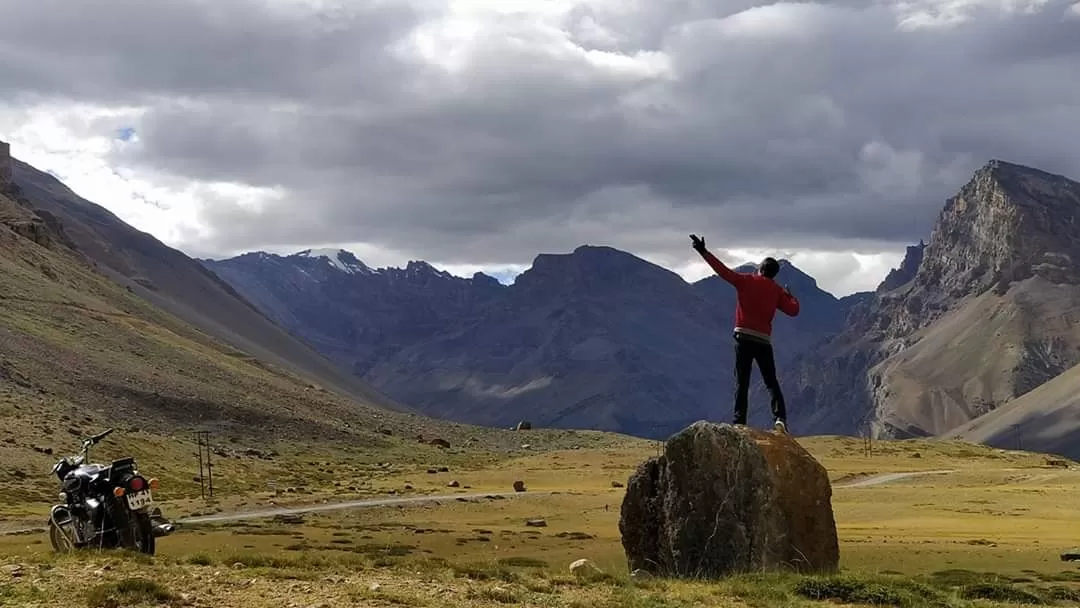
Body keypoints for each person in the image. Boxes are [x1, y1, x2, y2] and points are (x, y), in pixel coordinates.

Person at [689, 234, 800, 433]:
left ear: (760, 269)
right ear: (773, 275)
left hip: (743, 338)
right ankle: (780, 419)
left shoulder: (745, 281)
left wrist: (703, 251)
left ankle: (740, 422)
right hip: (763, 341)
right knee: (770, 381)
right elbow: (793, 310)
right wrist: (791, 297)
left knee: (742, 382)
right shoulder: (776, 291)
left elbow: (722, 271)